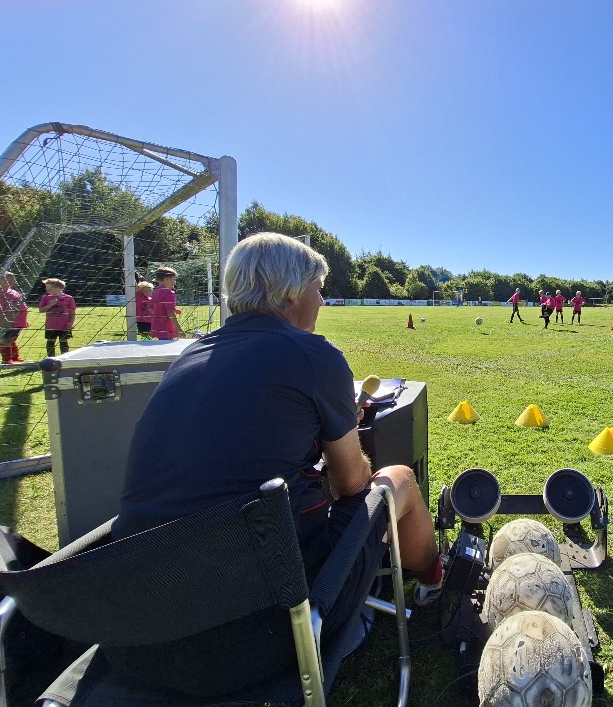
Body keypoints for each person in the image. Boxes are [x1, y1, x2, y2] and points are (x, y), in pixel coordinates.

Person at [111, 233, 442, 696]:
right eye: (317, 288)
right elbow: (352, 483)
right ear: (289, 292)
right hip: (261, 632)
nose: (322, 300)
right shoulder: (315, 354)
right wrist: (337, 433)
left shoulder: (189, 355)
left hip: (141, 623)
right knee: (399, 478)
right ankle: (434, 579)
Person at [39, 278, 76, 356]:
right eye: (46, 287)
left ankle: (64, 357)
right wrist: (50, 305)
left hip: (64, 325)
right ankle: (51, 357)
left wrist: (71, 323)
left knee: (64, 341)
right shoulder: (45, 298)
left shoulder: (69, 298)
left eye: (49, 287)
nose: (47, 289)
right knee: (51, 341)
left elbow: (72, 312)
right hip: (51, 325)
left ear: (58, 288)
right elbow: (41, 310)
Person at [149, 266, 186, 340]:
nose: (175, 282)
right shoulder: (169, 293)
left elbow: (150, 308)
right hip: (166, 327)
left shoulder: (155, 291)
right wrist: (178, 328)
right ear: (167, 279)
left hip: (156, 326)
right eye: (174, 279)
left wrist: (160, 314)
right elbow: (170, 312)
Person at [0, 272, 29, 363]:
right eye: (7, 279)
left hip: (19, 321)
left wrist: (24, 320)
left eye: (12, 280)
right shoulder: (1, 293)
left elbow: (22, 306)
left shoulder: (14, 292)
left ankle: (15, 356)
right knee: (5, 340)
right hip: (7, 321)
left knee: (12, 339)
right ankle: (6, 359)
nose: (11, 282)